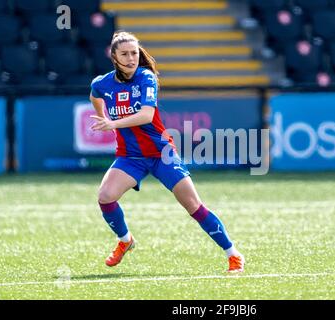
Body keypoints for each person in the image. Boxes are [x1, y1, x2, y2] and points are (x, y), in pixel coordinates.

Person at [89, 31, 245, 273]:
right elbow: (94, 94)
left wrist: (112, 123)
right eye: (125, 54)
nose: (131, 58)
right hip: (130, 157)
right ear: (114, 57)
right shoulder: (103, 83)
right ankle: (125, 240)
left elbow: (146, 115)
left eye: (134, 53)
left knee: (193, 205)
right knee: (105, 196)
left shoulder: (145, 77)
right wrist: (101, 115)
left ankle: (233, 254)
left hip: (162, 154)